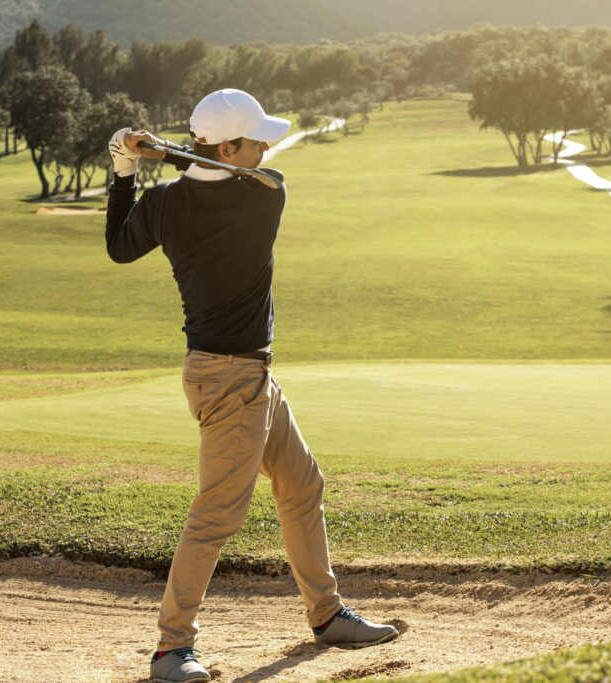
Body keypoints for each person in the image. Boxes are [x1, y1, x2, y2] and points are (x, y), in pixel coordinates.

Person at [105, 88, 398, 683]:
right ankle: (171, 648)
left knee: (301, 481)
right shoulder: (259, 197)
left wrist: (125, 171)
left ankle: (326, 612)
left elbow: (118, 244)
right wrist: (163, 158)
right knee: (217, 513)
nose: (267, 146)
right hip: (229, 379)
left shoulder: (171, 204)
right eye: (255, 139)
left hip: (245, 373)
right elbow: (234, 176)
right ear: (230, 148)